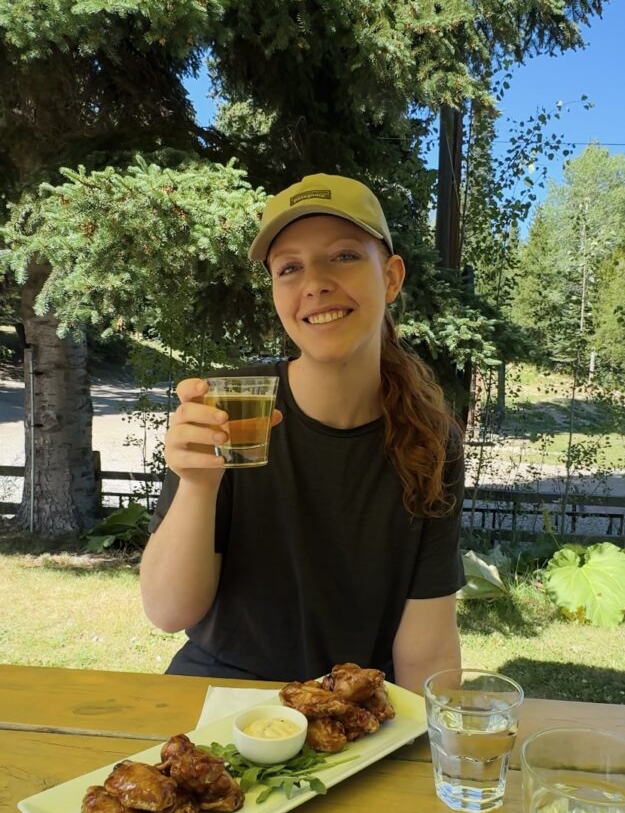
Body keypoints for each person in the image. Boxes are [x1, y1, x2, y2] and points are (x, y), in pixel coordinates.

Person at [140, 173, 465, 693]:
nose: (314, 282)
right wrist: (198, 485)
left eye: (343, 256)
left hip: (354, 708)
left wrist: (435, 755)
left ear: (392, 277)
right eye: (289, 267)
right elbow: (169, 610)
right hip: (222, 696)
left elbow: (426, 646)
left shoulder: (431, 442)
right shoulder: (229, 409)